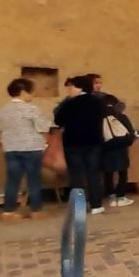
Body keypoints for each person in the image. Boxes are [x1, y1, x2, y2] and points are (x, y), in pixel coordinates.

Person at [0, 77, 51, 218]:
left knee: (12, 180)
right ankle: (36, 210)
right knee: (34, 180)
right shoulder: (32, 109)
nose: (32, 95)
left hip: (11, 148)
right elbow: (43, 126)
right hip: (32, 148)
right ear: (23, 92)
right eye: (31, 92)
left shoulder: (3, 110)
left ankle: (8, 211)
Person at [53, 74, 107, 214]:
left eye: (71, 87)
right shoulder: (97, 101)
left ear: (79, 88)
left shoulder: (69, 103)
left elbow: (58, 120)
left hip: (73, 142)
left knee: (76, 174)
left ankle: (79, 206)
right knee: (93, 173)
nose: (69, 90)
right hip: (94, 141)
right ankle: (96, 205)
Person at [91, 74, 135, 209]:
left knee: (107, 172)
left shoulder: (97, 117)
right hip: (120, 147)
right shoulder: (121, 117)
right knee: (122, 171)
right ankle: (120, 196)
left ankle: (110, 195)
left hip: (105, 148)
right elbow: (130, 134)